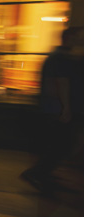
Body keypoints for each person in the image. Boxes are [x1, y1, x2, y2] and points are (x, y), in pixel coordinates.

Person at [20, 26, 83, 194]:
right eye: (80, 35)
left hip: (59, 108)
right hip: (57, 109)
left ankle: (43, 173)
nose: (83, 39)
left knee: (60, 144)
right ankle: (37, 173)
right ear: (69, 38)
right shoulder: (60, 58)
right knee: (61, 144)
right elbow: (59, 84)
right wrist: (66, 108)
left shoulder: (66, 57)